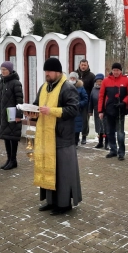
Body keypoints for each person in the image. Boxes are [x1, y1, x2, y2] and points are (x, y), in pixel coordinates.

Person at [25, 58, 82, 216]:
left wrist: (52, 111)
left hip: (62, 137)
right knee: (48, 170)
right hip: (45, 136)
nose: (47, 74)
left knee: (62, 173)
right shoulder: (44, 87)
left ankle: (64, 205)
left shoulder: (67, 87)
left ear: (57, 72)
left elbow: (73, 110)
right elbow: (38, 106)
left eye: (49, 71)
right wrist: (32, 112)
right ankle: (51, 202)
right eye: (45, 71)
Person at [0, 61, 23, 170]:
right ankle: (9, 159)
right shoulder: (0, 82)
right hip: (2, 113)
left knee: (12, 137)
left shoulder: (16, 83)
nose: (3, 71)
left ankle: (13, 160)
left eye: (5, 69)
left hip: (12, 114)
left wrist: (18, 115)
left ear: (10, 70)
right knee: (6, 136)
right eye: (2, 69)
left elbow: (19, 100)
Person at [98, 62, 128, 161]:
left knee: (120, 133)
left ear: (120, 71)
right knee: (109, 132)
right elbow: (101, 96)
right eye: (114, 70)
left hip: (120, 111)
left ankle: (121, 152)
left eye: (117, 70)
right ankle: (113, 150)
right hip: (109, 111)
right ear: (111, 71)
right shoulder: (105, 81)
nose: (116, 72)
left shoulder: (127, 80)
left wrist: (124, 102)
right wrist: (100, 110)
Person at [76, 59, 95, 144]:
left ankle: (84, 136)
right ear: (79, 65)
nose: (83, 66)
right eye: (82, 65)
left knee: (84, 120)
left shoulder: (91, 76)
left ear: (87, 66)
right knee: (75, 119)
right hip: (75, 101)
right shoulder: (75, 74)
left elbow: (93, 90)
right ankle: (75, 136)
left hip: (86, 101)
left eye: (85, 65)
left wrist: (91, 102)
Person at [68, 72, 88, 147]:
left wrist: (79, 104)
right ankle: (70, 142)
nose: (72, 79)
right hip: (68, 109)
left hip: (77, 110)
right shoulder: (66, 86)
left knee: (76, 127)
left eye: (74, 78)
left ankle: (75, 142)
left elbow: (85, 99)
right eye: (71, 78)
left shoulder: (80, 88)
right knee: (69, 127)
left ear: (76, 79)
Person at [88, 73, 108, 149]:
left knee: (106, 127)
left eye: (101, 81)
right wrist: (90, 110)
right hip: (96, 111)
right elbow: (91, 101)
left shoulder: (106, 88)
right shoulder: (93, 89)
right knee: (99, 127)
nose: (99, 83)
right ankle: (100, 142)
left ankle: (107, 143)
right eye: (98, 81)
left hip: (105, 111)